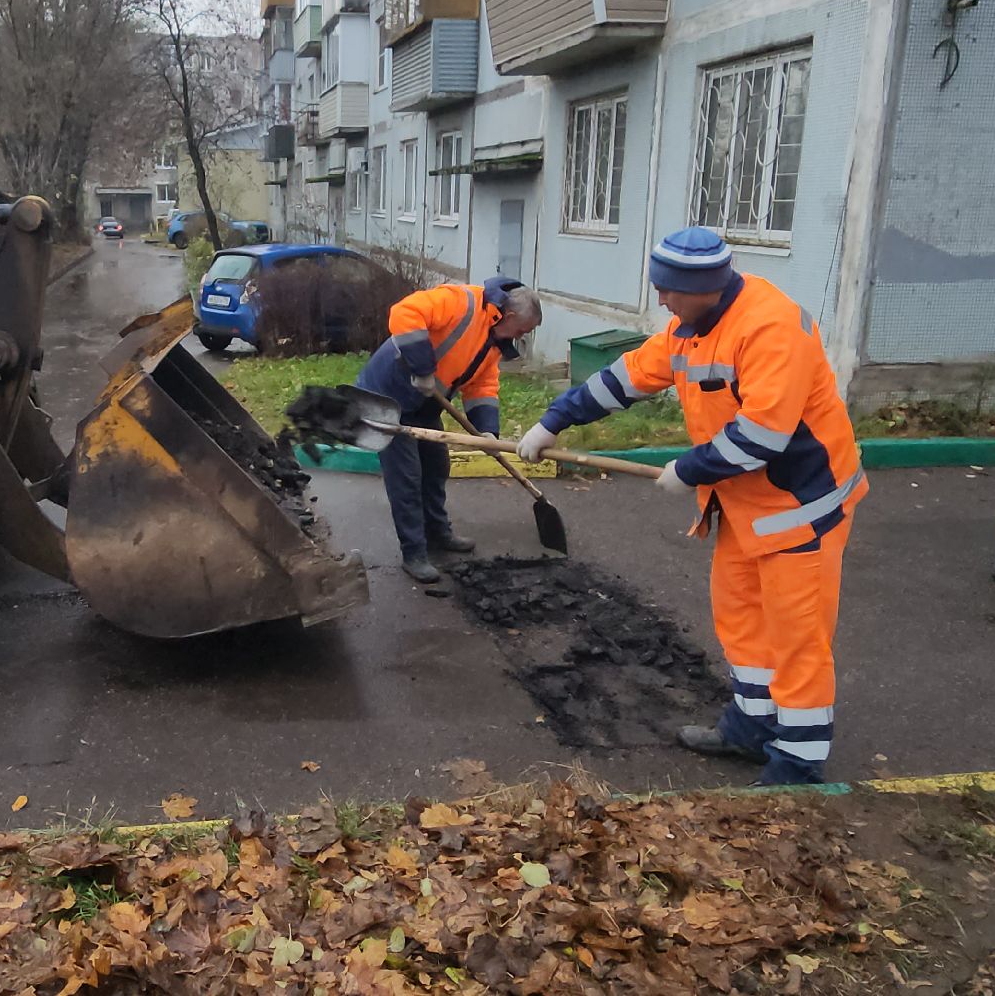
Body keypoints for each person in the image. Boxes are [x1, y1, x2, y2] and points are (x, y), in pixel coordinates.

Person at [516, 228, 865, 785]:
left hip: (800, 506)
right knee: (742, 624)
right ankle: (751, 729)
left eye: (668, 291)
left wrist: (689, 469)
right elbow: (626, 377)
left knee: (796, 639)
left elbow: (762, 437)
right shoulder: (689, 327)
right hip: (744, 506)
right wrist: (555, 419)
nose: (660, 301)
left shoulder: (771, 328)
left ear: (705, 287)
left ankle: (798, 765)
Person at [355, 275, 543, 584]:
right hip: (385, 397)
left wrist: (487, 431)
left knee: (436, 466)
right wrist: (422, 367)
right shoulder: (462, 302)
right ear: (509, 316)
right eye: (522, 330)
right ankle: (414, 553)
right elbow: (405, 312)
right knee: (407, 476)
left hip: (426, 402)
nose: (522, 337)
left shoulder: (495, 339)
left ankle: (437, 532)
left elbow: (482, 384)